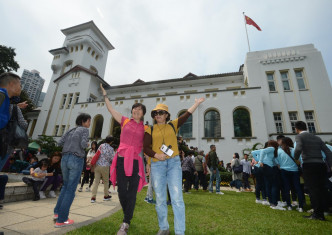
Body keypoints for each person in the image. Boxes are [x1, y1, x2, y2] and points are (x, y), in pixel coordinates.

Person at [143, 98, 205, 235]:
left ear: (166, 115)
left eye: (160, 112)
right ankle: (164, 227)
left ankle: (179, 231)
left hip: (174, 164)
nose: (157, 115)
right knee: (159, 198)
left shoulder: (173, 125)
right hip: (157, 164)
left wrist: (196, 103)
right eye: (155, 113)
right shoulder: (150, 129)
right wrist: (156, 155)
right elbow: (145, 147)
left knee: (177, 197)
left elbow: (187, 114)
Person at [101, 84, 147, 235]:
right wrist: (105, 96)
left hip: (135, 162)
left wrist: (149, 164)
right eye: (135, 108)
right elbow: (111, 110)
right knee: (122, 191)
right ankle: (128, 213)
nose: (136, 110)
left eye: (139, 109)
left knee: (132, 192)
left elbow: (147, 146)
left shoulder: (146, 129)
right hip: (121, 159)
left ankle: (126, 223)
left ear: (143, 114)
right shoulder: (125, 121)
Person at [53, 113, 91, 228]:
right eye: (89, 121)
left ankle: (57, 213)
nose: (89, 123)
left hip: (64, 158)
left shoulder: (70, 130)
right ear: (83, 121)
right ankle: (62, 219)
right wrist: (88, 143)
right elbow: (83, 144)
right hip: (76, 159)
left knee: (65, 186)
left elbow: (59, 143)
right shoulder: (84, 130)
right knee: (70, 189)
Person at [294, 121, 332, 221]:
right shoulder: (317, 137)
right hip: (321, 164)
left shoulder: (299, 137)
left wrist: (296, 158)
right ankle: (324, 210)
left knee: (313, 189)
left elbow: (298, 148)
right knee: (322, 188)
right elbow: (328, 151)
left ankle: (317, 214)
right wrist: (331, 164)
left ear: (296, 129)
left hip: (309, 165)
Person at [0, 72, 22, 171]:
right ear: (12, 84)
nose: (21, 88)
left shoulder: (5, 99)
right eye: (20, 85)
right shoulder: (1, 95)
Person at [276, 137, 304, 212]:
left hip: (284, 171)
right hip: (295, 171)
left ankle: (289, 205)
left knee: (286, 189)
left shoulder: (279, 151)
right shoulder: (294, 150)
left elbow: (277, 163)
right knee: (298, 188)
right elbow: (300, 161)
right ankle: (301, 206)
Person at [259, 140, 285, 210]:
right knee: (274, 185)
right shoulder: (272, 148)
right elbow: (262, 151)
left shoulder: (272, 150)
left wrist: (278, 164)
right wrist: (260, 161)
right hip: (268, 167)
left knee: (268, 185)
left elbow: (273, 159)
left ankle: (272, 203)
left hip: (266, 167)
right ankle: (274, 204)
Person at [90, 136, 114, 203]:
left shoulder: (101, 145)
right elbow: (112, 159)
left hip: (98, 165)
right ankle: (106, 196)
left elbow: (97, 154)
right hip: (105, 166)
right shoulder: (111, 149)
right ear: (111, 142)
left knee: (96, 182)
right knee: (106, 182)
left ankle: (93, 197)